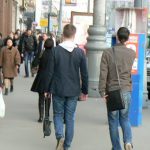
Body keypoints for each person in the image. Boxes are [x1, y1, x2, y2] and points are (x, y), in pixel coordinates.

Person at [45, 24, 88, 150]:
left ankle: (60, 136)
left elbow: (50, 72)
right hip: (73, 90)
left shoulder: (55, 51)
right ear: (74, 35)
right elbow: (84, 74)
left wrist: (47, 89)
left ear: (63, 35)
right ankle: (67, 145)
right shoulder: (80, 52)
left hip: (58, 88)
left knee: (58, 114)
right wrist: (84, 90)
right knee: (70, 117)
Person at [99, 27, 136, 150]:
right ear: (128, 38)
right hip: (126, 90)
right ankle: (128, 141)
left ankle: (116, 147)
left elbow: (103, 73)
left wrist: (102, 91)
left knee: (113, 122)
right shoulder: (132, 53)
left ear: (117, 37)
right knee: (125, 118)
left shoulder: (107, 52)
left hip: (112, 91)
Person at [31, 38, 54, 122]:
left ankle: (41, 117)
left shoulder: (42, 53)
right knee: (48, 97)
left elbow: (34, 63)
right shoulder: (55, 54)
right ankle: (47, 116)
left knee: (41, 97)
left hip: (41, 77)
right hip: (51, 78)